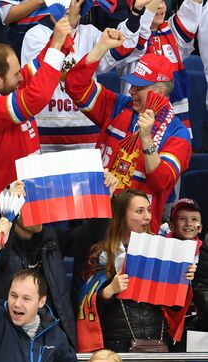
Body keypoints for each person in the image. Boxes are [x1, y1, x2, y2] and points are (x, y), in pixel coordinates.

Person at [65, 31, 192, 232]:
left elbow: (162, 182)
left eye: (139, 86)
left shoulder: (179, 133)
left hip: (138, 233)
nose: (131, 90)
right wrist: (101, 47)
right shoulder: (118, 106)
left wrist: (147, 139)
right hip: (98, 220)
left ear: (159, 92)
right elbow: (75, 86)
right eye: (132, 84)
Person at [0, 173, 118, 349]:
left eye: (41, 206)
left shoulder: (51, 237)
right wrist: (7, 215)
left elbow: (91, 234)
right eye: (31, 206)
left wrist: (104, 197)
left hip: (54, 336)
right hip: (14, 339)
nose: (40, 213)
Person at [0, 17, 69, 229]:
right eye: (15, 74)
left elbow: (38, 67)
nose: (20, 77)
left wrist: (60, 37)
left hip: (30, 204)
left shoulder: (6, 87)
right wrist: (57, 44)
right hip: (2, 211)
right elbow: (36, 98)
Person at [20, 0, 147, 153]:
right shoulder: (34, 35)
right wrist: (70, 27)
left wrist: (135, 13)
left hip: (87, 134)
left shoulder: (90, 32)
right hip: (46, 135)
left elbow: (118, 50)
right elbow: (42, 74)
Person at [80, 189, 196, 352]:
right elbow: (86, 309)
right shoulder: (101, 253)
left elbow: (174, 308)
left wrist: (183, 280)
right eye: (139, 211)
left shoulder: (162, 249)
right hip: (116, 344)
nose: (147, 216)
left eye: (148, 210)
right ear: (121, 215)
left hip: (156, 341)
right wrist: (109, 290)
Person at [0, 217, 77, 362]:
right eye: (13, 295)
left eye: (26, 298)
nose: (17, 304)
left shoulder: (55, 335)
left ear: (41, 301)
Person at [119, 0, 203, 135]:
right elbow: (140, 33)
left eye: (162, 1)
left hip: (174, 119)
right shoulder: (127, 32)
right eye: (153, 2)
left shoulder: (171, 32)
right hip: (139, 117)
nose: (160, 6)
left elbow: (191, 10)